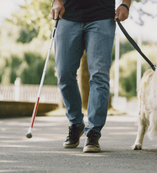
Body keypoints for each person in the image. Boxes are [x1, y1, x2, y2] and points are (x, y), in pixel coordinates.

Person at [50, 0, 131, 153]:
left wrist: (125, 4)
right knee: (64, 74)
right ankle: (76, 123)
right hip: (68, 16)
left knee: (99, 76)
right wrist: (57, 2)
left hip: (102, 17)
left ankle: (94, 132)